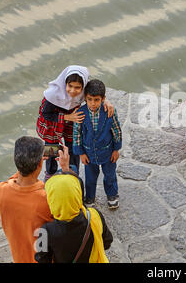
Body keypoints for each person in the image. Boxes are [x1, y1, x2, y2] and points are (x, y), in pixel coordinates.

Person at [36, 65, 115, 182]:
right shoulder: (53, 95)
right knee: (51, 148)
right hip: (53, 120)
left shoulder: (85, 91)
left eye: (78, 88)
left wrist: (106, 101)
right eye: (70, 86)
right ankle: (50, 172)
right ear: (64, 83)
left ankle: (72, 172)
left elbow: (95, 94)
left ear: (83, 87)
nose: (73, 91)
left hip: (72, 119)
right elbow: (46, 114)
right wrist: (68, 117)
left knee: (72, 146)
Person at [34, 147, 113, 263]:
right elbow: (107, 242)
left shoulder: (45, 231)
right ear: (78, 194)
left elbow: (41, 259)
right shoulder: (94, 217)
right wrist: (66, 168)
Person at [0, 136, 53, 263]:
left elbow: (10, 182)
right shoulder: (47, 200)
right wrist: (67, 172)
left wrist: (25, 165)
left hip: (19, 258)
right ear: (40, 164)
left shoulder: (0, 191)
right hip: (44, 258)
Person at [73, 79, 122, 209]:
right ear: (85, 98)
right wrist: (81, 153)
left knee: (110, 175)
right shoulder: (80, 113)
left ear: (103, 99)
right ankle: (90, 197)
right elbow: (77, 134)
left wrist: (116, 149)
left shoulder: (109, 112)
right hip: (89, 153)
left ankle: (112, 194)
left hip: (107, 152)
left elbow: (116, 130)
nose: (93, 103)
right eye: (89, 99)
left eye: (96, 100)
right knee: (90, 178)